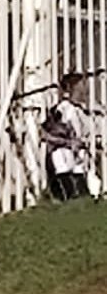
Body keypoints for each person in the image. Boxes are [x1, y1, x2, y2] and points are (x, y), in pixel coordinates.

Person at [43, 72, 95, 201]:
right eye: (80, 88)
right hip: (64, 156)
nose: (84, 92)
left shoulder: (80, 109)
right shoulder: (63, 109)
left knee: (82, 190)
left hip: (77, 157)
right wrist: (69, 142)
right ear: (70, 90)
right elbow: (48, 133)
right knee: (69, 190)